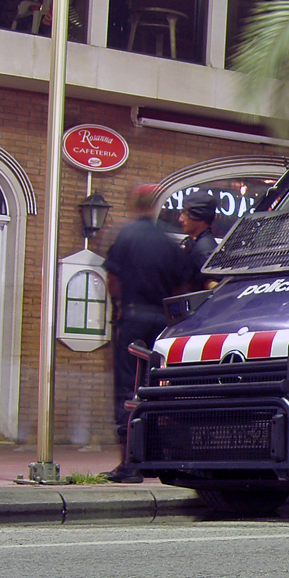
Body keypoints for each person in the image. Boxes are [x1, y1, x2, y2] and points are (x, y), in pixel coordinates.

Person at [101, 184, 187, 483]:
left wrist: (120, 306)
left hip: (134, 318)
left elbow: (113, 277)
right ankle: (155, 456)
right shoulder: (168, 241)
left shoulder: (126, 236)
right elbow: (181, 288)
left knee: (128, 388)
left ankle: (129, 464)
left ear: (133, 203)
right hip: (161, 323)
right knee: (157, 387)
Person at [179, 190, 220, 292]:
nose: (181, 219)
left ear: (199, 216)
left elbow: (216, 288)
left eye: (186, 214)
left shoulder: (203, 250)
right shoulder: (196, 243)